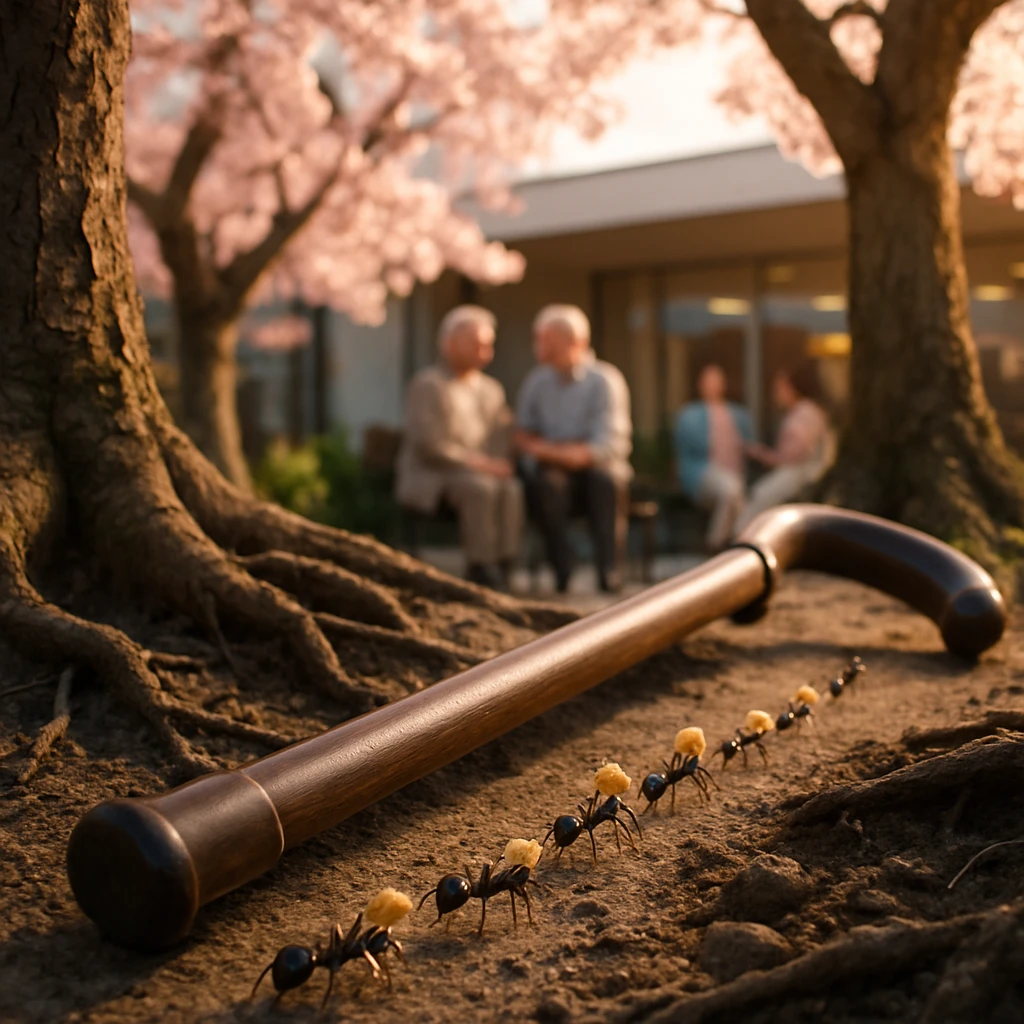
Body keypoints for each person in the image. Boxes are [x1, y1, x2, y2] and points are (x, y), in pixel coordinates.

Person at [395, 305, 523, 589]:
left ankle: (505, 561)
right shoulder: (427, 384)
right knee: (480, 488)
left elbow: (500, 438)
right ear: (450, 343)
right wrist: (479, 464)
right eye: (476, 344)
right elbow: (429, 443)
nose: (484, 351)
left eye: (488, 344)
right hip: (435, 474)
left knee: (511, 487)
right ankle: (482, 565)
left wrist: (498, 463)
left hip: (479, 472)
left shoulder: (491, 389)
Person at [514, 304, 632, 594]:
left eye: (546, 341)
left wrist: (551, 450)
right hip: (555, 474)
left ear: (574, 342)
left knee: (604, 482)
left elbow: (607, 446)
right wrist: (566, 452)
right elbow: (522, 436)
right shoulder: (536, 383)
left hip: (597, 471)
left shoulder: (605, 380)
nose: (538, 347)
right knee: (544, 485)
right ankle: (562, 570)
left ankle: (609, 571)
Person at [733, 363, 832, 535]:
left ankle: (739, 542)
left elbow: (793, 455)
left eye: (780, 387)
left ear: (792, 388)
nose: (776, 393)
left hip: (799, 476)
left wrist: (760, 453)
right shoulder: (808, 410)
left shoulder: (804, 412)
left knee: (759, 499)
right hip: (800, 474)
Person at [673, 364, 753, 552]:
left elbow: (749, 444)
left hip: (735, 475)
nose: (713, 386)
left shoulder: (739, 414)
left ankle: (735, 546)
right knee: (733, 492)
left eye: (716, 381)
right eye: (708, 382)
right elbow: (688, 447)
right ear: (700, 385)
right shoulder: (689, 415)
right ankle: (717, 544)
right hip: (704, 473)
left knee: (737, 498)